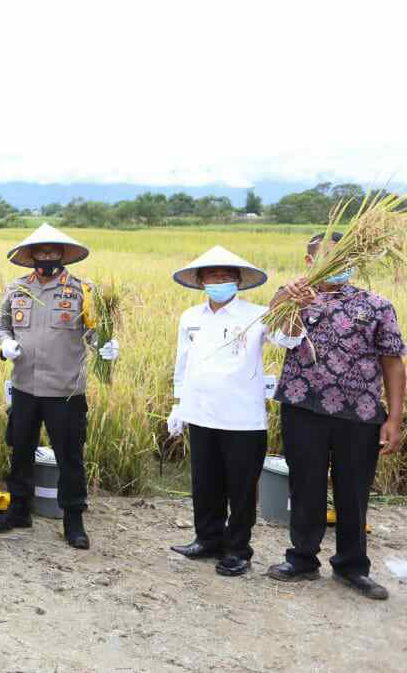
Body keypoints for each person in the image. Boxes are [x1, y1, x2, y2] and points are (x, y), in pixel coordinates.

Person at [265, 232, 405, 600]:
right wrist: (293, 301)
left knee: (354, 491)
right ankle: (302, 559)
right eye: (329, 257)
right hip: (303, 407)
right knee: (305, 483)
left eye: (345, 258)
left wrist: (394, 419)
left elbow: (393, 363)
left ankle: (352, 566)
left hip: (359, 414)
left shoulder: (377, 306)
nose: (339, 265)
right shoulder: (289, 297)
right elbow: (278, 335)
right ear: (310, 261)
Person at [167, 246, 303, 576]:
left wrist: (288, 306)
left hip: (242, 419)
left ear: (239, 281)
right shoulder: (190, 318)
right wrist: (178, 405)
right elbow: (183, 364)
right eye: (213, 275)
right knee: (205, 483)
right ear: (200, 281)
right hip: (200, 413)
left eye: (227, 276)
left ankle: (238, 550)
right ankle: (207, 539)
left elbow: (290, 340)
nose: (220, 280)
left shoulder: (257, 314)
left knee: (241, 489)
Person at [0, 223, 117, 549]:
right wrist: (5, 343)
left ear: (62, 254)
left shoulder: (81, 291)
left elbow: (94, 332)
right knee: (20, 450)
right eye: (41, 251)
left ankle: (73, 518)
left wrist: (105, 345)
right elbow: (2, 325)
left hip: (65, 390)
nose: (46, 256)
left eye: (52, 251)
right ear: (31, 255)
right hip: (24, 387)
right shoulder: (17, 289)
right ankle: (19, 509)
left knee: (70, 455)